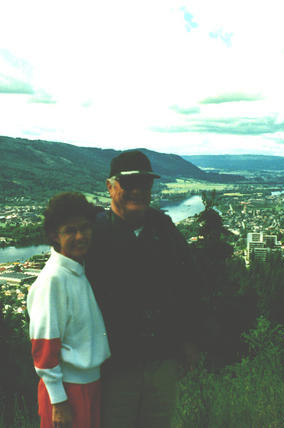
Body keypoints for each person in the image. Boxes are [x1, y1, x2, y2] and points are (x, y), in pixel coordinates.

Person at [85, 150, 201, 428]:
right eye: (129, 184)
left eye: (145, 184)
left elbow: (188, 284)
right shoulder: (93, 235)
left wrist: (189, 340)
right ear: (109, 187)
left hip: (162, 357)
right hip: (115, 364)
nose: (138, 191)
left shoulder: (163, 227)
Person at [27, 192, 111, 428]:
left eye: (85, 228)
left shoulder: (76, 270)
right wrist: (59, 401)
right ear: (55, 235)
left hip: (89, 385)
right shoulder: (53, 280)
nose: (80, 236)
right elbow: (43, 347)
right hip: (68, 392)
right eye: (70, 230)